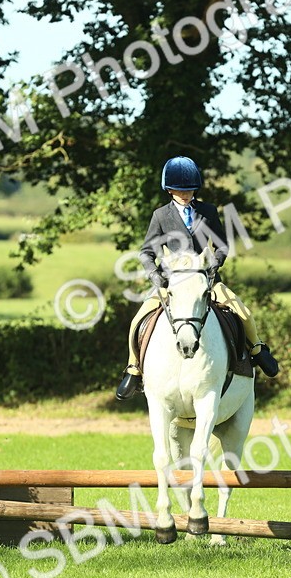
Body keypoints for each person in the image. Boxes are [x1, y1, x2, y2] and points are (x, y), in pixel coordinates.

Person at [116, 156, 279, 400]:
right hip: (172, 281)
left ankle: (256, 347)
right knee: (138, 320)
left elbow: (222, 246)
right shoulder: (160, 215)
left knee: (241, 310)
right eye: (180, 191)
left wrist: (216, 261)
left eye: (189, 190)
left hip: (207, 279)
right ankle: (134, 367)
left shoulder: (208, 211)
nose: (185, 195)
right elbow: (146, 252)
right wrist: (154, 274)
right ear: (169, 190)